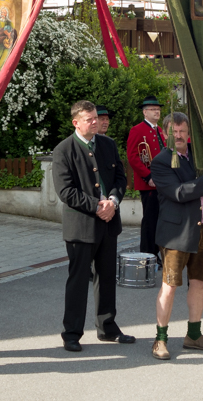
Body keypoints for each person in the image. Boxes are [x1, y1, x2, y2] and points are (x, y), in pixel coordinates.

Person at [53, 100, 134, 352]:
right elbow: (65, 191)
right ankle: (71, 333)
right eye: (90, 119)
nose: (96, 122)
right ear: (76, 122)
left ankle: (107, 328)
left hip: (108, 223)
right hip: (81, 226)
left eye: (96, 117)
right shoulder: (64, 150)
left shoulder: (108, 144)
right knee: (78, 281)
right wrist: (97, 206)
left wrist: (113, 201)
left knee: (107, 277)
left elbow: (120, 177)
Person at [149, 112, 203, 360]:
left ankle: (193, 335)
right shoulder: (161, 161)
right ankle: (160, 339)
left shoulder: (198, 155)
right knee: (170, 286)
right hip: (176, 233)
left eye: (182, 131)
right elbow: (178, 192)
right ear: (165, 134)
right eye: (173, 132)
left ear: (189, 133)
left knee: (200, 283)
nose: (179, 136)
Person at [127, 96, 168, 259]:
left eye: (158, 109)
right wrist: (148, 176)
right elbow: (132, 157)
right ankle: (148, 254)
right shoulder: (137, 130)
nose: (157, 112)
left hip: (162, 182)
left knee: (161, 219)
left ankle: (157, 253)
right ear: (145, 112)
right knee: (150, 221)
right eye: (153, 109)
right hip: (148, 183)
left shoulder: (160, 130)